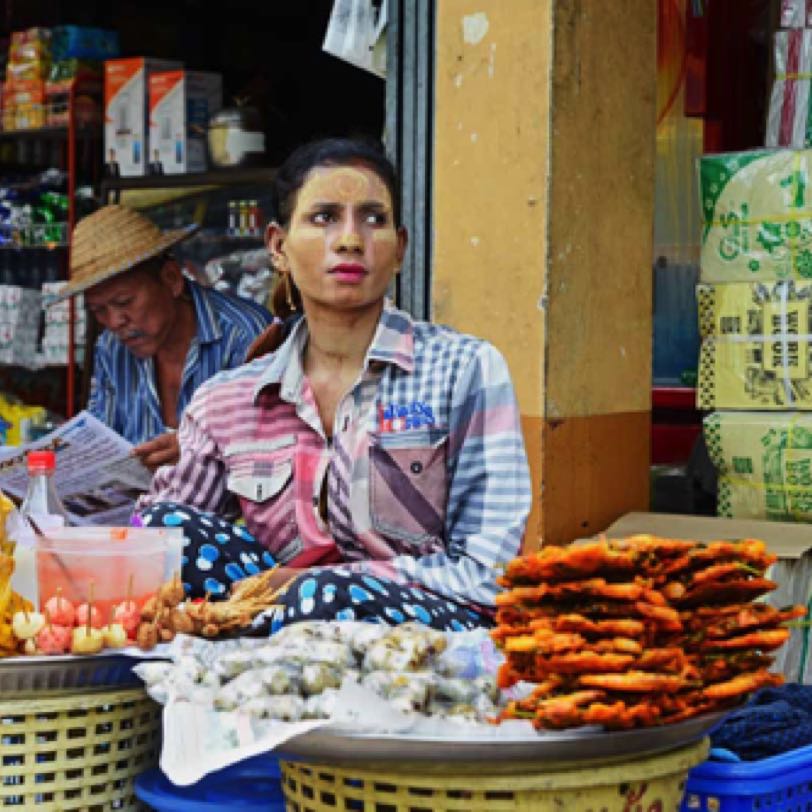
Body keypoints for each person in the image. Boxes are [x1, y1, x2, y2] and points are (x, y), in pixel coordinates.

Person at [138, 137, 532, 631]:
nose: (350, 239)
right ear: (278, 248)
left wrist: (319, 586)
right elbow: (158, 544)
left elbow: (487, 574)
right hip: (278, 618)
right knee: (159, 530)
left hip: (431, 629)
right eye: (324, 217)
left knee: (322, 594)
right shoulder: (228, 400)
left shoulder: (464, 369)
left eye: (373, 219)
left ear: (399, 250)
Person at [53, 205, 274, 470]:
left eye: (125, 302)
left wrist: (201, 453)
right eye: (99, 310)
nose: (114, 322)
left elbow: (275, 447)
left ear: (171, 279)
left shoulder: (244, 334)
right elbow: (105, 438)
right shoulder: (112, 348)